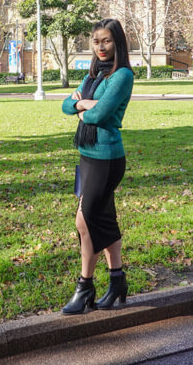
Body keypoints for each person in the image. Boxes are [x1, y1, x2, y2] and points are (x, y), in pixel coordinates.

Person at [60, 18, 134, 314]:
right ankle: (116, 281)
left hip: (107, 158)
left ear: (117, 43)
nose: (101, 47)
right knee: (102, 218)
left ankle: (84, 286)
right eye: (96, 41)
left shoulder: (122, 75)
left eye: (106, 41)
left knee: (85, 220)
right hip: (88, 155)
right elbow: (66, 104)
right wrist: (81, 105)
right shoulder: (94, 74)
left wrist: (85, 107)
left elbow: (100, 116)